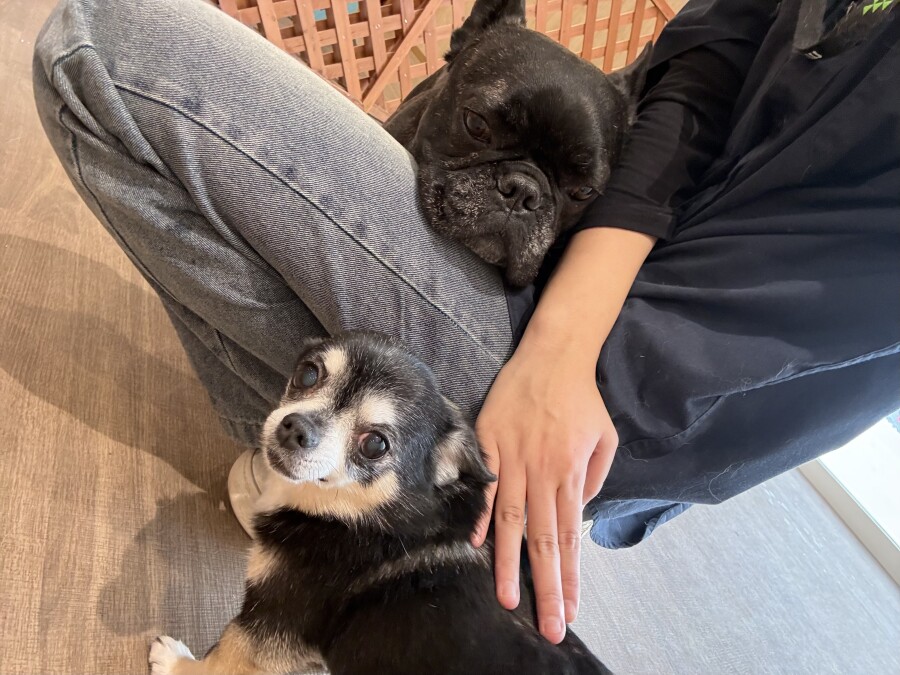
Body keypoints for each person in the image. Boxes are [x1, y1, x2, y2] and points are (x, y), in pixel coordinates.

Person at [34, 0, 899, 647]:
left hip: (638, 389)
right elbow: (709, 63)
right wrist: (569, 321)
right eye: (484, 127)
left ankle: (359, 484)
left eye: (563, 187)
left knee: (98, 46)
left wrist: (573, 363)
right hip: (588, 304)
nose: (517, 192)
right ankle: (342, 481)